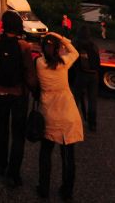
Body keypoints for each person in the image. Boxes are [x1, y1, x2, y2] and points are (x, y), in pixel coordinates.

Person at [0, 11, 39, 187]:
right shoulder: (24, 46)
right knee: (18, 133)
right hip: (18, 94)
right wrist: (35, 90)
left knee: (2, 126)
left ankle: (0, 164)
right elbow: (29, 74)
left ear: (4, 25)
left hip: (0, 92)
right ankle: (13, 173)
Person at [36, 32, 83, 201]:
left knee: (46, 153)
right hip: (68, 113)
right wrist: (60, 37)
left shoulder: (39, 63)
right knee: (68, 155)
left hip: (50, 113)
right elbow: (75, 53)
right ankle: (67, 191)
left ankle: (43, 188)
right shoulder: (63, 63)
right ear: (58, 49)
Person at [72, 25, 100, 132]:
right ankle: (92, 124)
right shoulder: (93, 44)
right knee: (92, 100)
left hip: (81, 75)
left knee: (75, 99)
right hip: (94, 75)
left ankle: (73, 122)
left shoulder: (76, 43)